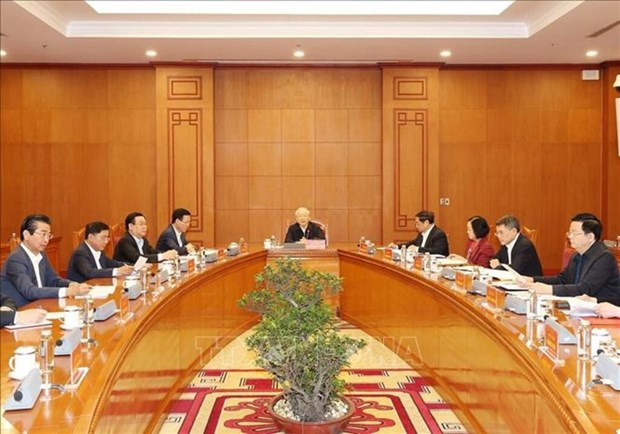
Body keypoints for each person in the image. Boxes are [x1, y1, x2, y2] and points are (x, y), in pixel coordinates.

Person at [519, 213, 620, 305]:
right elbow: (562, 279)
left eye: (574, 233)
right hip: (581, 305)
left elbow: (585, 289)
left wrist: (549, 289)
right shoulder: (577, 254)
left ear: (590, 237)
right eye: (569, 233)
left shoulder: (604, 258)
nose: (570, 237)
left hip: (603, 310)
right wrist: (532, 280)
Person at [0, 214, 91, 307]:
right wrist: (67, 291)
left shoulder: (41, 254)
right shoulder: (16, 259)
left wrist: (71, 284)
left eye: (48, 235)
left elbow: (53, 280)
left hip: (39, 305)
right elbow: (29, 291)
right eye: (43, 234)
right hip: (22, 310)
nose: (46, 240)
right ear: (26, 235)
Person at [67, 221, 133, 283]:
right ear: (90, 237)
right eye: (103, 238)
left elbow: (113, 263)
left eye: (107, 238)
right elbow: (89, 273)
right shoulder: (80, 253)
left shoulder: (99, 250)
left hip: (99, 285)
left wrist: (132, 266)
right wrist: (116, 271)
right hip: (82, 288)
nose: (106, 242)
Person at [114, 212, 178, 264]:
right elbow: (137, 258)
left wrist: (167, 254)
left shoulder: (143, 240)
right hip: (125, 275)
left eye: (145, 224)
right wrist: (162, 256)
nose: (145, 227)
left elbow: (152, 252)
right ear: (131, 226)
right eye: (141, 224)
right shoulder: (125, 241)